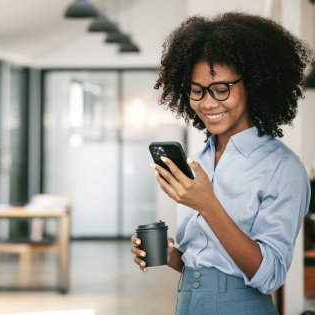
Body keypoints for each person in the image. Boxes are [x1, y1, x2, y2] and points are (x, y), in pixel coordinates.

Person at [130, 12, 312, 315]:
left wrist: (207, 204)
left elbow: (270, 275)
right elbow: (207, 263)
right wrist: (171, 255)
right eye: (197, 90)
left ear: (252, 84)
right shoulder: (199, 161)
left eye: (221, 89)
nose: (207, 103)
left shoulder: (282, 168)